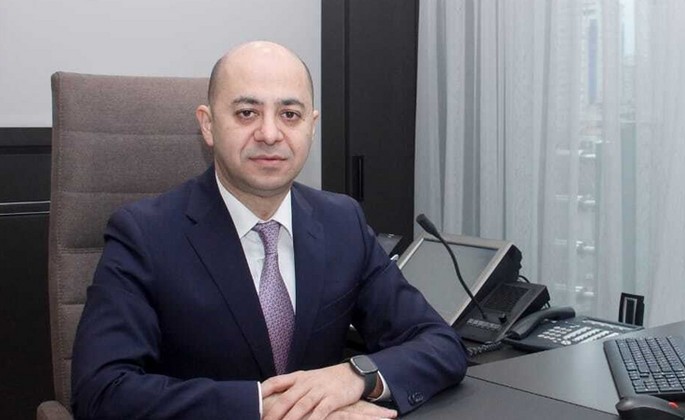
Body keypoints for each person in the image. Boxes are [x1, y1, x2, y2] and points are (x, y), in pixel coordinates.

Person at [71, 41, 467, 420]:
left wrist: (355, 376)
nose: (270, 134)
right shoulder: (144, 234)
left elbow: (440, 344)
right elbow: (102, 391)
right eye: (247, 113)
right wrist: (263, 408)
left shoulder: (342, 222)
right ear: (208, 125)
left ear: (312, 126)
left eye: (289, 114)